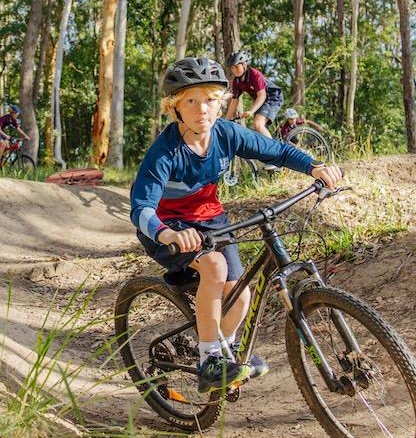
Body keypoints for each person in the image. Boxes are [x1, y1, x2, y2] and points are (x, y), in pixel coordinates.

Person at [130, 57, 343, 392]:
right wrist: (167, 232)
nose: (203, 109)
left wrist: (314, 166)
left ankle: (224, 353)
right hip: (168, 227)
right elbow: (141, 206)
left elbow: (275, 151)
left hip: (212, 221)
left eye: (211, 100)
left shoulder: (226, 134)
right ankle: (208, 359)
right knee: (214, 267)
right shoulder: (165, 152)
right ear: (175, 107)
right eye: (191, 101)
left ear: (222, 103)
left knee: (241, 294)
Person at [225, 50, 284, 140]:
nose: (234, 70)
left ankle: (276, 152)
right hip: (261, 101)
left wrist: (251, 111)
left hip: (272, 98)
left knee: (258, 124)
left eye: (237, 67)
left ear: (244, 65)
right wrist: (226, 121)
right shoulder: (236, 81)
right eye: (232, 68)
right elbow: (234, 101)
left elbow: (262, 95)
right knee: (257, 130)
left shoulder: (255, 74)